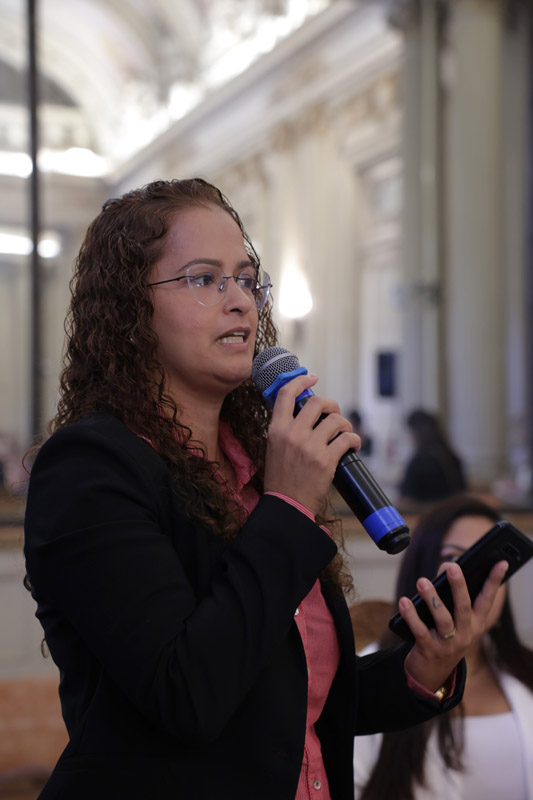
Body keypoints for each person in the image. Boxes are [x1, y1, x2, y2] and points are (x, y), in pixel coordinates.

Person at [23, 178, 508, 800]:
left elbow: (292, 708)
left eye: (247, 279)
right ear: (128, 310)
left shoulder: (253, 469)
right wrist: (289, 505)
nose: (241, 303)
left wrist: (421, 669)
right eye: (204, 279)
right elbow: (189, 695)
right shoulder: (90, 469)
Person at [353, 494, 533, 800]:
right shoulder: (370, 685)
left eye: (493, 565)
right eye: (453, 559)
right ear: (420, 571)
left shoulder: (525, 672)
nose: (471, 579)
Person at [399, 409, 467, 504]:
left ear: (416, 433)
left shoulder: (418, 463)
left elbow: (406, 500)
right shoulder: (451, 457)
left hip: (423, 515)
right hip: (451, 513)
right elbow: (462, 491)